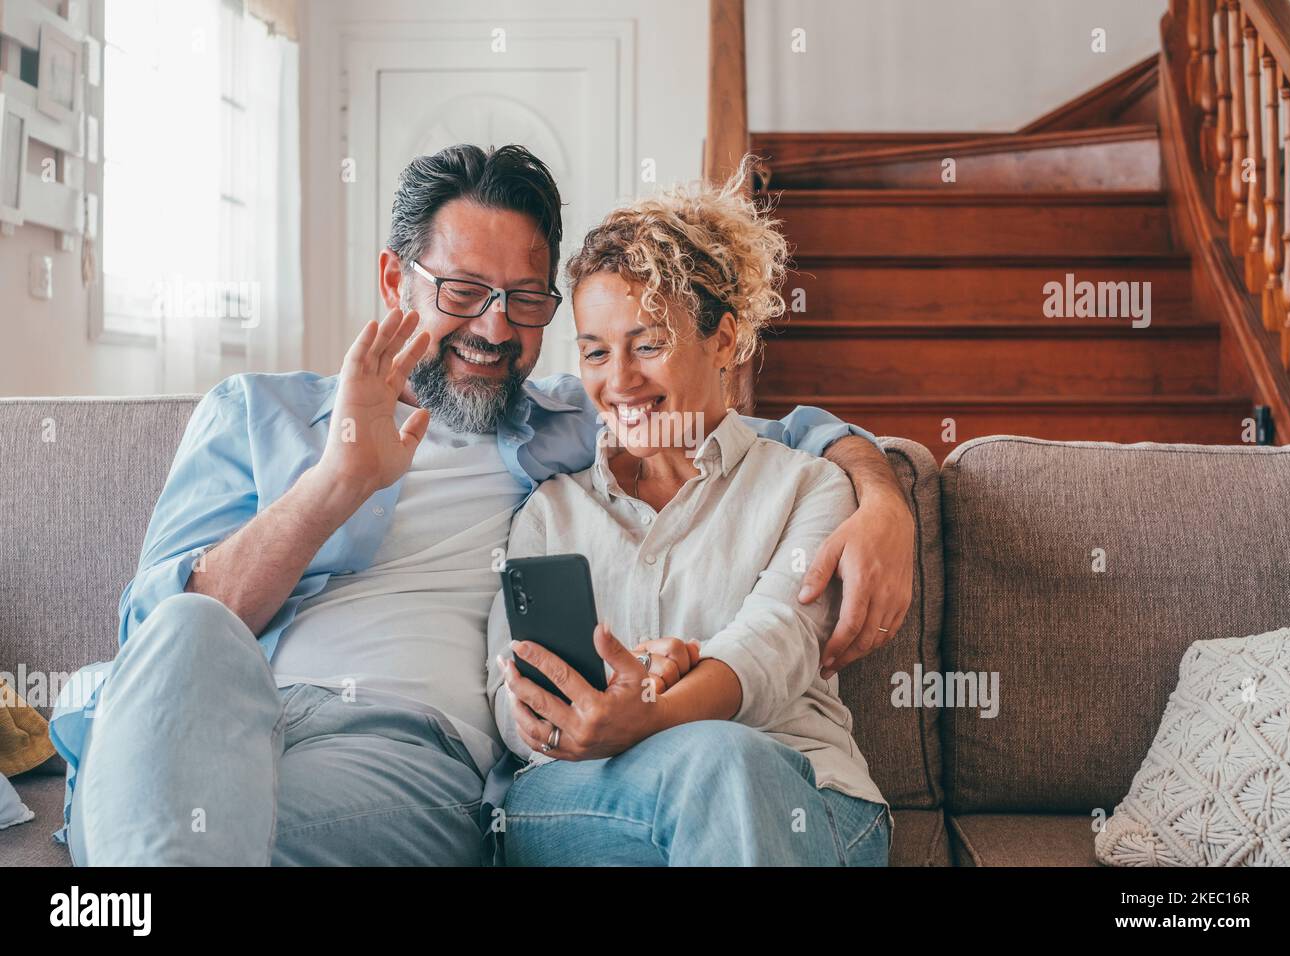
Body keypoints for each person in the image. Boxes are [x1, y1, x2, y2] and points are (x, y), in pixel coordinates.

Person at [50, 144, 913, 866]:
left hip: (393, 750)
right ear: (397, 279)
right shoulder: (253, 411)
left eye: (525, 301)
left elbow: (746, 429)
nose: (495, 329)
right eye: (462, 291)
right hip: (211, 714)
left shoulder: (563, 431)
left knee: (191, 841)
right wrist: (339, 480)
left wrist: (883, 497)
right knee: (189, 634)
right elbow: (156, 639)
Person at [488, 165, 892, 866]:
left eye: (648, 344)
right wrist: (550, 720)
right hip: (592, 799)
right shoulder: (550, 512)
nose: (619, 381)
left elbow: (776, 645)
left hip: (797, 789)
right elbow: (508, 680)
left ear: (725, 342)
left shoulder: (808, 486)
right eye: (594, 352)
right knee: (707, 765)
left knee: (719, 761)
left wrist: (654, 707)